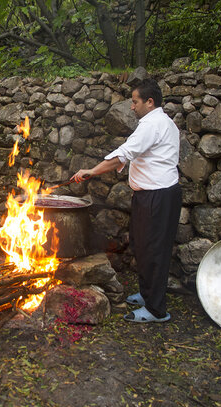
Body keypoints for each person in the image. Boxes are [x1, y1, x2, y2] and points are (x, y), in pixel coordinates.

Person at [72, 78, 181, 323]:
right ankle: (147, 294)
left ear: (149, 102)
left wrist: (91, 171)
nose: (131, 107)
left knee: (154, 251)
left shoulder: (152, 125)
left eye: (135, 102)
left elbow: (123, 154)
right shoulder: (162, 122)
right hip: (152, 195)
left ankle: (156, 310)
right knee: (143, 246)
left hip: (158, 195)